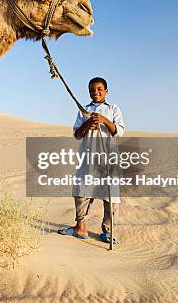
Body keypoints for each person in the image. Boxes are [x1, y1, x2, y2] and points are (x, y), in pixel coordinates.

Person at [58, 76, 125, 243]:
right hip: (88, 157)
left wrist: (103, 120)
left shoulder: (113, 108)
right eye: (92, 90)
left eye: (99, 89)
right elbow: (76, 134)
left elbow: (120, 130)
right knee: (81, 192)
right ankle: (80, 228)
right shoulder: (84, 110)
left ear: (106, 91)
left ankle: (108, 231)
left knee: (111, 194)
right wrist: (87, 124)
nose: (95, 92)